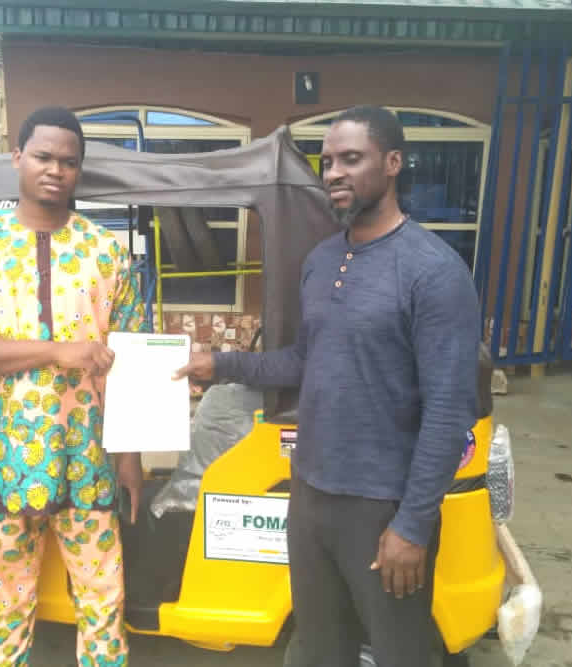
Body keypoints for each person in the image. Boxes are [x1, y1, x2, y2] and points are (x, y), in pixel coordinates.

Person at [174, 105, 481, 666]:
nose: (334, 172)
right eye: (328, 161)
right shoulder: (322, 261)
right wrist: (220, 364)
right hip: (311, 495)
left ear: (393, 163)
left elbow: (448, 410)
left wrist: (412, 525)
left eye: (351, 159)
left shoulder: (433, 271)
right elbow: (303, 361)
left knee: (401, 651)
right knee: (320, 648)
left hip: (382, 506)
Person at [0, 106, 147, 667]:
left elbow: (133, 361)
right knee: (8, 606)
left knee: (104, 602)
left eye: (68, 162)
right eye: (43, 157)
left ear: (79, 170)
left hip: (90, 465)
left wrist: (130, 458)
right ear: (17, 157)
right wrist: (55, 351)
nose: (55, 170)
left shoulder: (106, 251)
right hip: (6, 466)